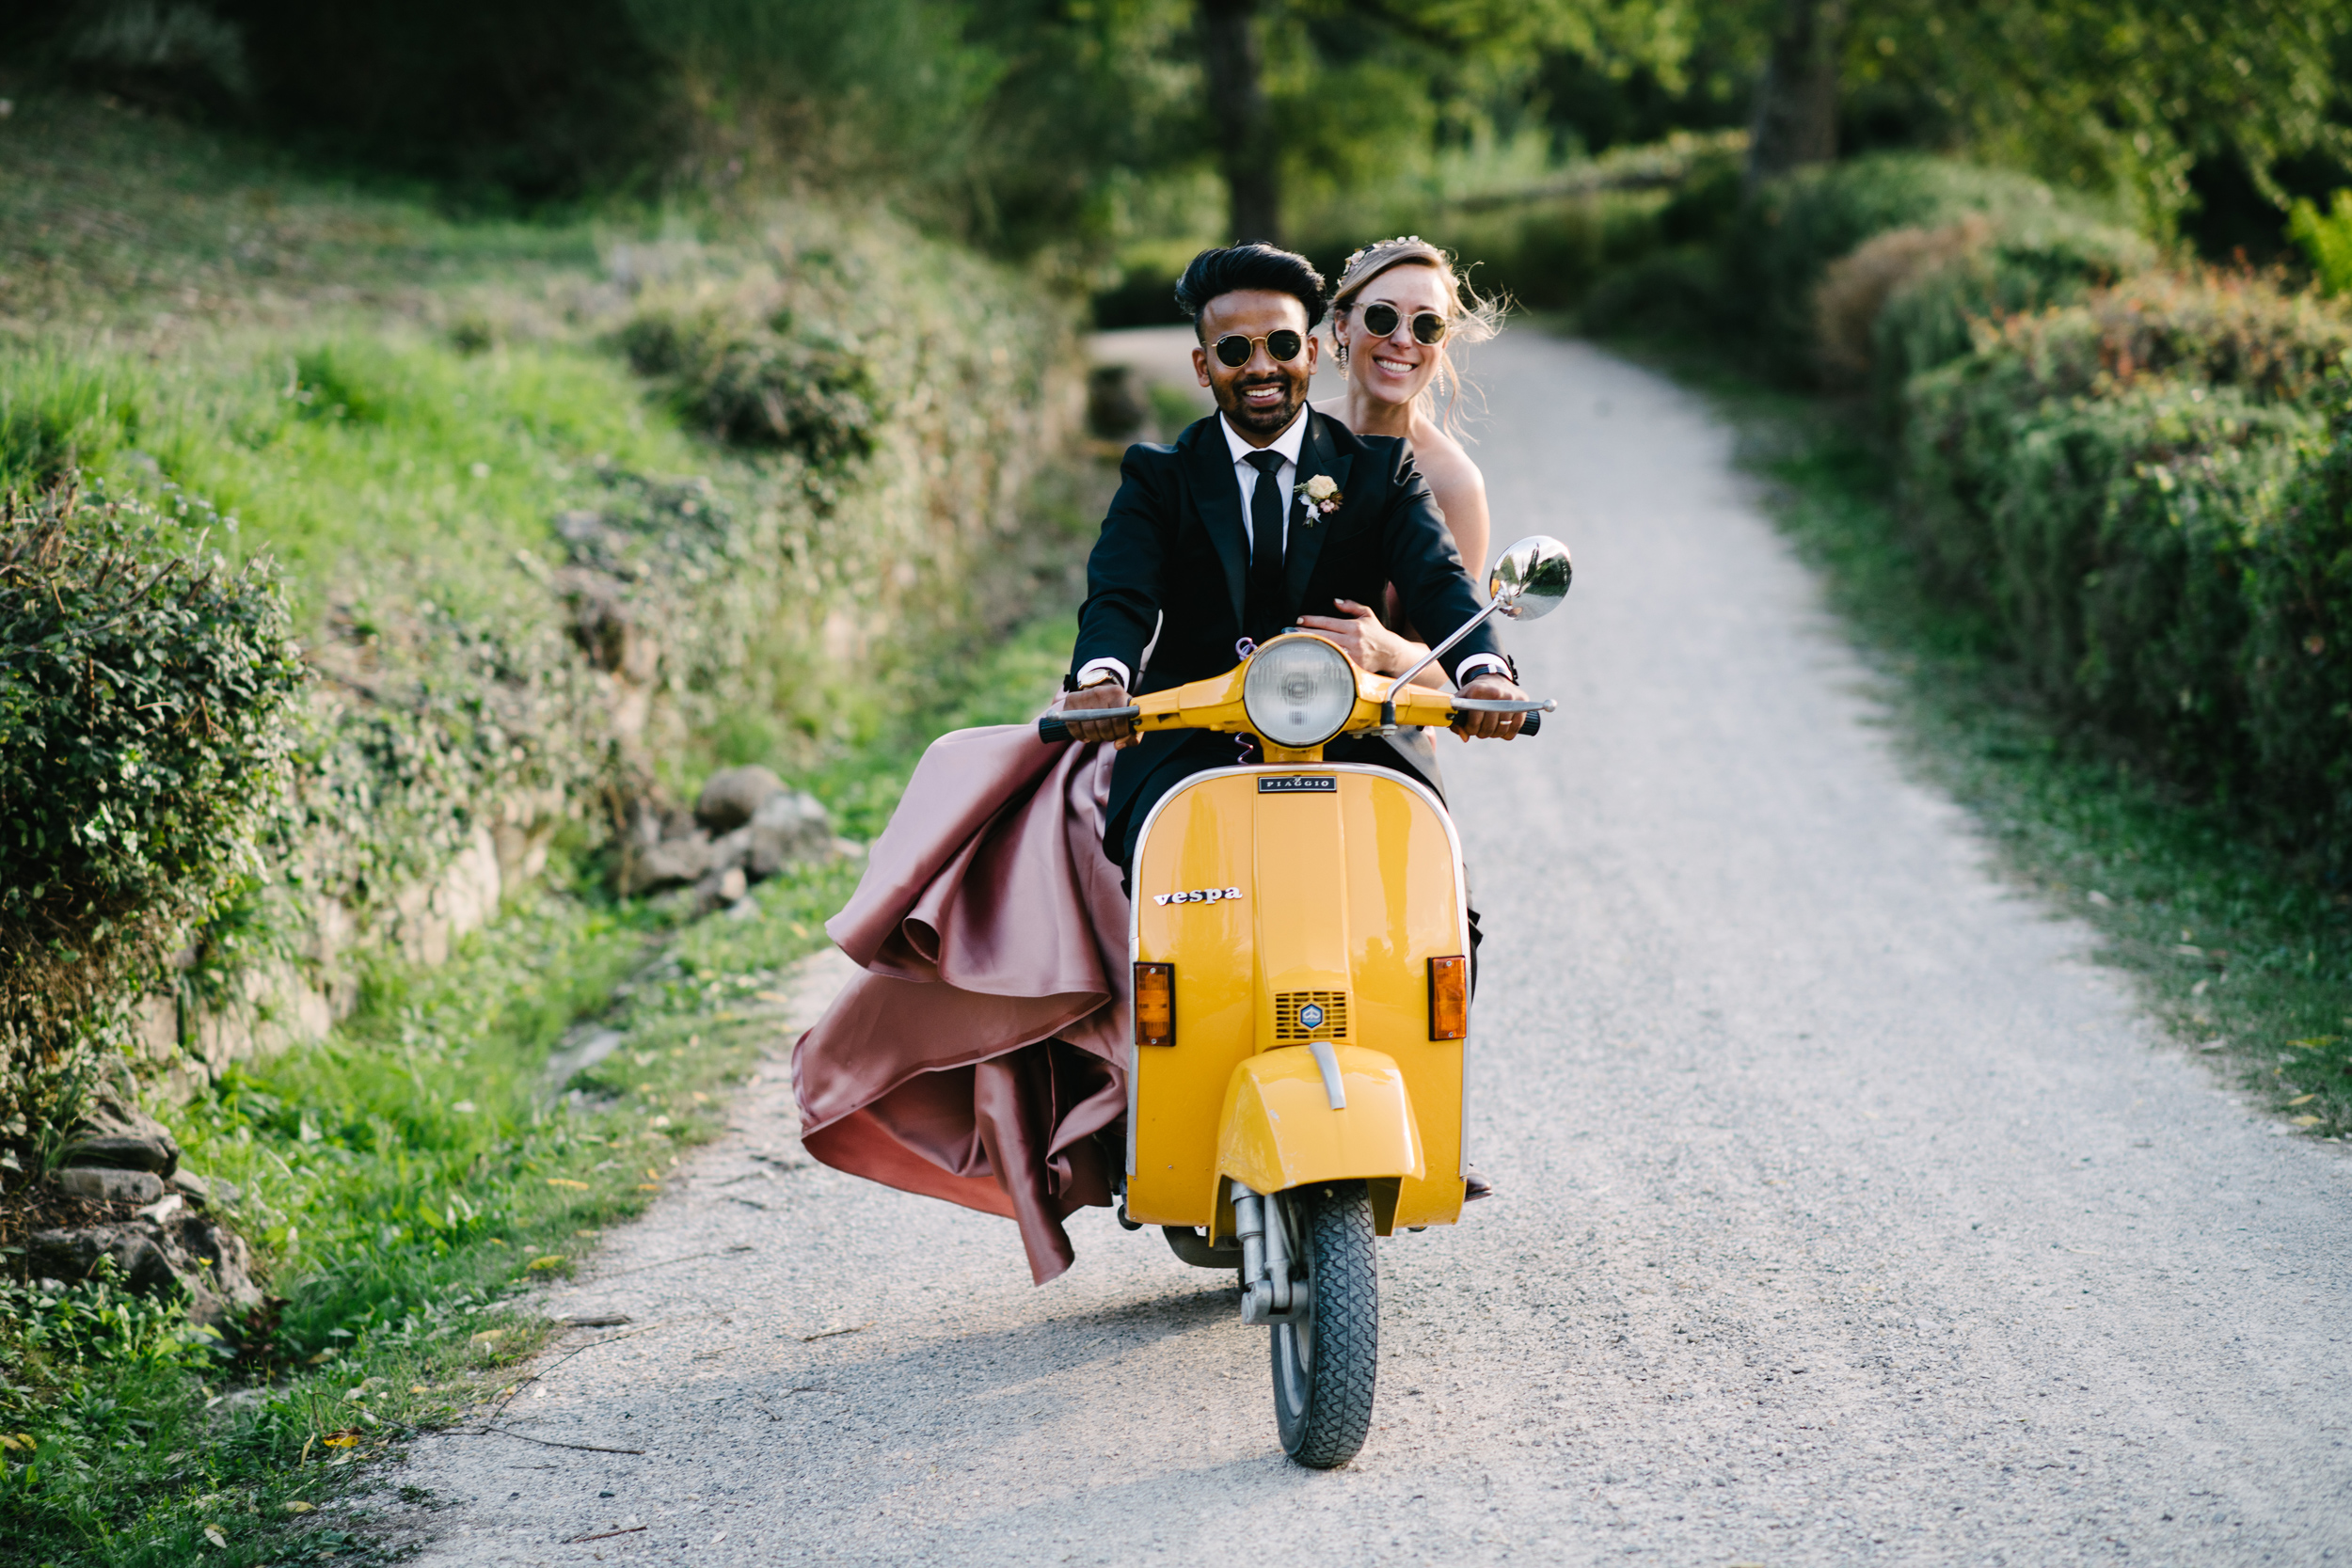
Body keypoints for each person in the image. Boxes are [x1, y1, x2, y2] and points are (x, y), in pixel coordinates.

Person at [1060, 242, 1528, 866]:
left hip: (1356, 735)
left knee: (1436, 901)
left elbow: (1439, 578)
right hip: (1193, 739)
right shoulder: (1158, 478)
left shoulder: (1381, 471)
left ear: (1308, 352)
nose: (1261, 368)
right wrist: (1102, 676)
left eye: (1281, 345)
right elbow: (1121, 592)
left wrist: (1484, 671)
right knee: (1162, 879)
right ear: (1203, 366)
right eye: (1234, 351)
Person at [1299, 236, 1503, 689]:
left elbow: (1451, 652)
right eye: (1382, 316)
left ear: (1443, 342)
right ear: (1341, 325)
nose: (1402, 339)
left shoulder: (1454, 482)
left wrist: (1387, 650)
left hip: (1379, 717)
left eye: (1427, 325)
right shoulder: (1292, 435)